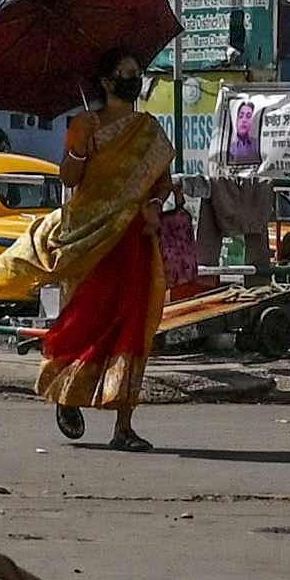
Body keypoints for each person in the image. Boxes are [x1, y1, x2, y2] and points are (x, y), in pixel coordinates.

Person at [21, 56, 180, 449]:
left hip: (134, 240)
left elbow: (163, 183)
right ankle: (66, 392)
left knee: (134, 327)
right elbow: (69, 179)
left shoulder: (149, 130)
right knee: (84, 321)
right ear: (106, 82)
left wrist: (155, 206)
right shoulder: (83, 125)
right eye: (127, 74)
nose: (135, 80)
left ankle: (123, 426)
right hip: (91, 241)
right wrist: (78, 149)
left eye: (136, 74)